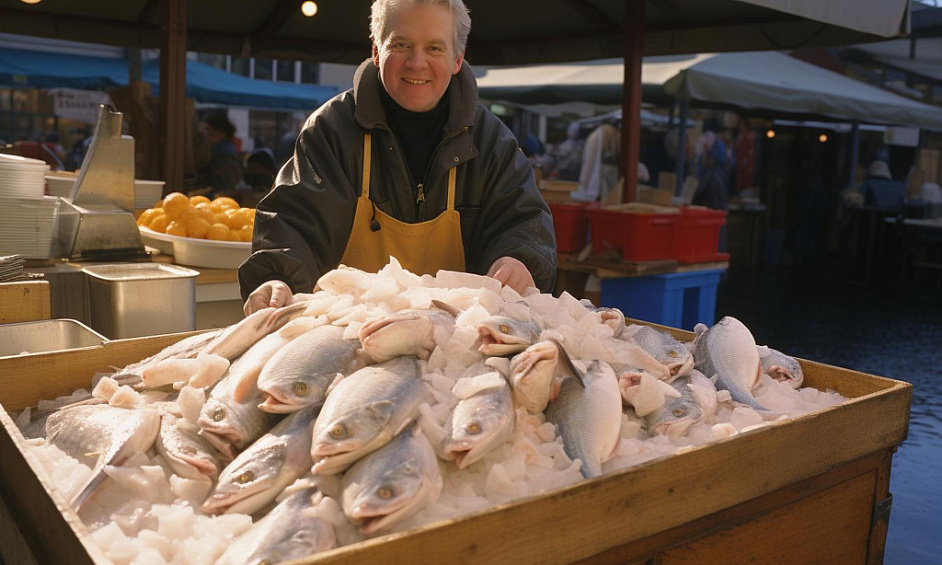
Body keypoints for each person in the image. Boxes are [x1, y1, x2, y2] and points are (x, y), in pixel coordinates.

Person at [239, 0, 556, 314]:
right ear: (377, 51)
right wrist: (277, 277)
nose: (417, 63)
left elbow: (523, 221)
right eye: (401, 44)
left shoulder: (492, 142)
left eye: (434, 48)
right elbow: (294, 219)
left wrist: (519, 259)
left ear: (458, 58)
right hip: (347, 333)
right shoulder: (330, 130)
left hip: (457, 343)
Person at [197, 112, 245, 198]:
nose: (205, 137)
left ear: (224, 134)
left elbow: (225, 188)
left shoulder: (225, 156)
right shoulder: (221, 151)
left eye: (211, 134)